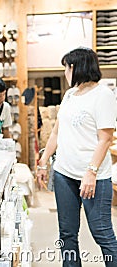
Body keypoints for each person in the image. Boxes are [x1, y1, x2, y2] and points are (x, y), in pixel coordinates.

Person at [37, 47, 117, 266]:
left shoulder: (103, 96)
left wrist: (91, 172)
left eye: (66, 67)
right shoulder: (70, 94)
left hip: (93, 177)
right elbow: (56, 131)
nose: (64, 72)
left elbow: (105, 139)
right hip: (64, 174)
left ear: (76, 67)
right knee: (67, 234)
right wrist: (43, 162)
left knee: (101, 232)